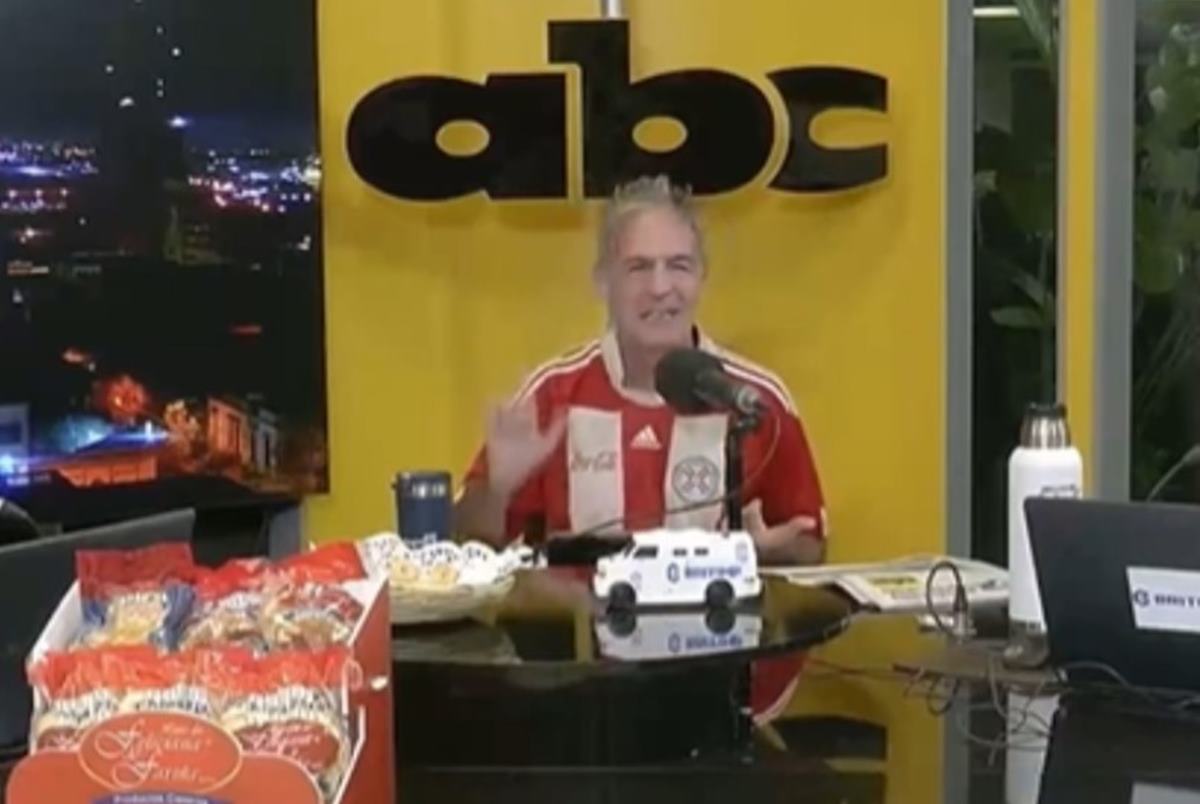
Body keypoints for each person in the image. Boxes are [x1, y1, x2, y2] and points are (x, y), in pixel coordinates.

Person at [454, 175, 826, 565]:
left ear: (701, 276)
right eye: (638, 268)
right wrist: (496, 489)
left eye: (678, 265)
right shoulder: (553, 394)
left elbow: (809, 546)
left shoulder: (752, 400)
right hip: (581, 606)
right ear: (603, 281)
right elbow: (464, 548)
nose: (660, 287)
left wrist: (751, 553)